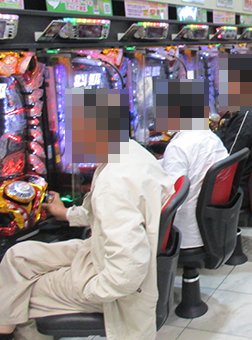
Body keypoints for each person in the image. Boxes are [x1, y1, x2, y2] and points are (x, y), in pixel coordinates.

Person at [0, 88, 175, 340]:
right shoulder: (132, 153)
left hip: (115, 284)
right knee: (17, 257)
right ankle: (4, 330)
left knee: (21, 293)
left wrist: (88, 290)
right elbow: (109, 215)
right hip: (99, 253)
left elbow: (127, 271)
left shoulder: (113, 183)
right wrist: (66, 214)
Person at [161, 130, 229, 249]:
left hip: (185, 232)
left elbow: (168, 196)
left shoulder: (177, 147)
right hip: (212, 227)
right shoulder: (212, 138)